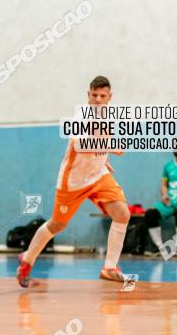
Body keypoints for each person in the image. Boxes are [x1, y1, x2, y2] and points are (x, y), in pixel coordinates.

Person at [16, 76, 130, 287]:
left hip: (98, 177)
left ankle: (110, 267)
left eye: (102, 96)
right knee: (57, 224)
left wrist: (104, 160)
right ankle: (27, 259)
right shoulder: (80, 117)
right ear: (88, 96)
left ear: (109, 97)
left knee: (122, 213)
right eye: (94, 95)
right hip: (74, 182)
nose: (97, 99)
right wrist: (110, 146)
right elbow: (79, 145)